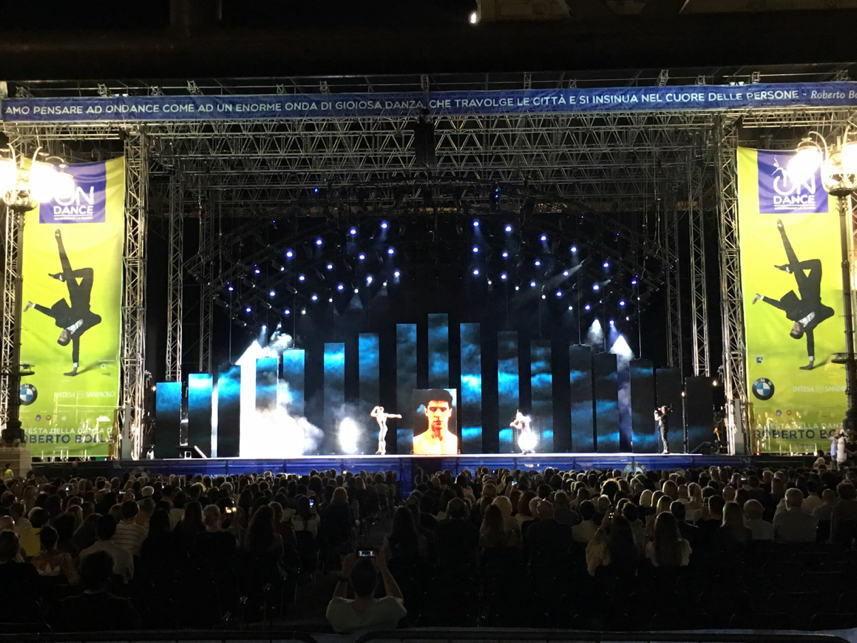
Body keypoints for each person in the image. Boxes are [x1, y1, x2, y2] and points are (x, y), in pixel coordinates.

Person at [752, 219, 834, 370]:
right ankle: (790, 268)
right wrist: (811, 362)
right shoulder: (810, 328)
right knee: (816, 264)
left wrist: (761, 297)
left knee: (794, 259)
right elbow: (811, 343)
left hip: (803, 287)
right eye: (796, 329)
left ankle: (782, 232)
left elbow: (778, 304)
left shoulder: (792, 314)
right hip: (815, 290)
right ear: (801, 331)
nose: (794, 326)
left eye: (792, 328)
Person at [24, 229, 102, 376]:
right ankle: (63, 276)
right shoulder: (77, 334)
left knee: (66, 264)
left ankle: (58, 241)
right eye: (63, 337)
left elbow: (49, 312)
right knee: (89, 271)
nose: (61, 334)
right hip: (85, 296)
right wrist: (75, 368)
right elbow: (77, 348)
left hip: (74, 294)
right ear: (68, 338)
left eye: (59, 336)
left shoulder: (61, 322)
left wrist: (33, 305)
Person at [325, 548, 407, 636]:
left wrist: (344, 574)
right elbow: (398, 599)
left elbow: (336, 601)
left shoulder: (337, 612)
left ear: (351, 583)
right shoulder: (389, 608)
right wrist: (383, 568)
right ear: (377, 583)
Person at [412, 389, 458, 455]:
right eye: (433, 409)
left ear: (450, 412)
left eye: (443, 409)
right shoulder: (416, 442)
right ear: (426, 411)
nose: (438, 415)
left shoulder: (456, 442)